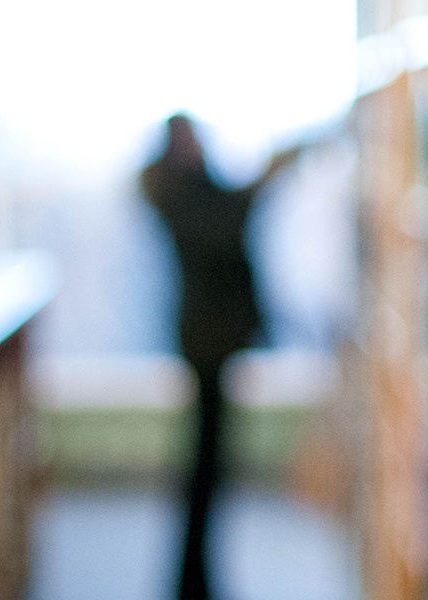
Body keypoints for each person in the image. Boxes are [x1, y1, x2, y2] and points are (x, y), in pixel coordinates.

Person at [141, 114, 299, 600]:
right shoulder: (177, 196)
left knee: (210, 467)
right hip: (206, 344)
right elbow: (226, 225)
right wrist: (269, 178)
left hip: (211, 341)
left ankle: (197, 579)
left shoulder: (185, 191)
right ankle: (192, 582)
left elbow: (228, 206)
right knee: (205, 469)